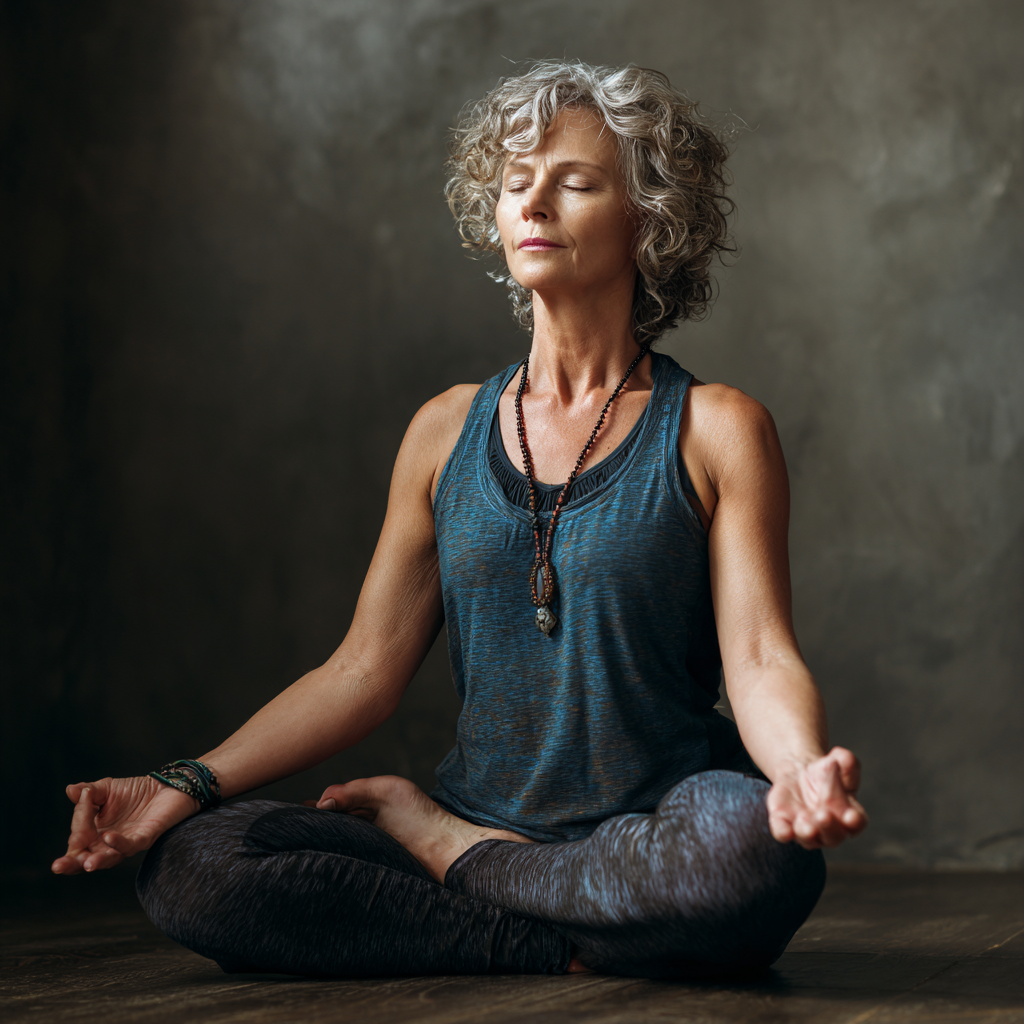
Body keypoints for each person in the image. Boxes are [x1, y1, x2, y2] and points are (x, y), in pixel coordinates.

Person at [51, 61, 867, 979]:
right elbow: (362, 669)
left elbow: (759, 657)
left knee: (752, 850)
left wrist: (798, 771)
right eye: (517, 183)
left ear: (650, 217)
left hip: (647, 830)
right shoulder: (444, 431)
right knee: (195, 864)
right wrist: (181, 782)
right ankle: (568, 927)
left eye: (576, 182)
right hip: (496, 815)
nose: (535, 202)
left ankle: (458, 860)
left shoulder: (718, 428)